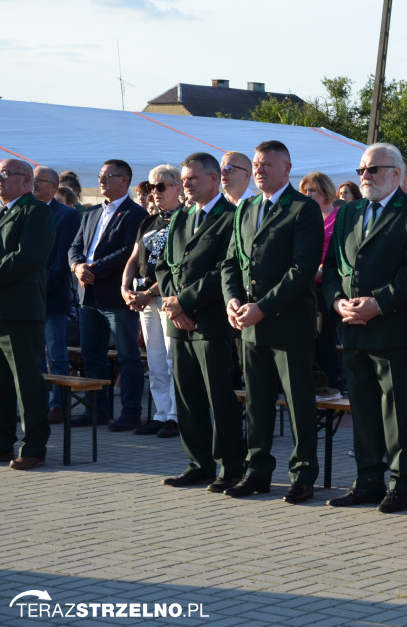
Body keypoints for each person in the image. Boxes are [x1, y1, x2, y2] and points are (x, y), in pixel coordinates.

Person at [322, 143, 407, 513]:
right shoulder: (349, 213)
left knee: (398, 410)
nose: (365, 177)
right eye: (361, 171)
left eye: (373, 170)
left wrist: (378, 303)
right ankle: (367, 480)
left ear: (397, 174)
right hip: (353, 327)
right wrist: (339, 302)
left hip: (394, 329)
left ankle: (401, 484)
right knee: (364, 408)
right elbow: (334, 267)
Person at [221, 140, 323, 504]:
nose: (259, 170)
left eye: (267, 164)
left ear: (286, 168)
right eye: (256, 164)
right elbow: (231, 263)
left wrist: (262, 306)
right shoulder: (246, 208)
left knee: (298, 402)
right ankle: (257, 471)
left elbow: (303, 269)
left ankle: (302, 474)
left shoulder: (303, 208)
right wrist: (232, 299)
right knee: (258, 403)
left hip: (288, 323)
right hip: (250, 324)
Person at [156, 152, 245, 492]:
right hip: (179, 323)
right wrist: (173, 306)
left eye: (192, 178)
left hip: (211, 322)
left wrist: (186, 302)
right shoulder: (179, 218)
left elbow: (224, 269)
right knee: (188, 397)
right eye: (184, 178)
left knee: (219, 397)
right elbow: (164, 266)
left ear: (213, 179)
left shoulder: (231, 217)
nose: (186, 184)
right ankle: (199, 463)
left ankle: (231, 466)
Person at [68, 159, 148, 429]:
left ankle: (130, 412)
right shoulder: (90, 213)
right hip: (88, 294)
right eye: (101, 175)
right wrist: (78, 267)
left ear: (124, 181)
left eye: (108, 176)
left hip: (115, 296)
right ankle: (96, 410)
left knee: (127, 356)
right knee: (92, 356)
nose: (101, 180)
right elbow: (75, 246)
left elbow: (128, 251)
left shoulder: (135, 214)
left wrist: (94, 269)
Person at [0, 159, 55, 470]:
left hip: (21, 310)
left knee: (26, 383)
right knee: (1, 385)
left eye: (5, 175)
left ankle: (34, 446)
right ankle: (2, 443)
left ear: (26, 181)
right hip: (1, 310)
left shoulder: (35, 211)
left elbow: (27, 257)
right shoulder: (3, 211)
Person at [121, 165, 182, 439]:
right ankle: (160, 412)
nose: (153, 193)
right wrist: (125, 288)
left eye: (160, 187)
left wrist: (151, 293)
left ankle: (175, 416)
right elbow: (134, 258)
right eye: (150, 188)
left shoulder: (183, 219)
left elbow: (177, 266)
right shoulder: (148, 221)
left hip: (167, 296)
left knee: (171, 358)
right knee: (155, 360)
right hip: (144, 297)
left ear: (177, 188)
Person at [33, 166, 81, 425]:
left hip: (51, 296)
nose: (34, 185)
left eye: (39, 181)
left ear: (53, 185)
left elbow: (63, 259)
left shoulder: (67, 215)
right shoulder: (27, 210)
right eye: (32, 180)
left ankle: (59, 405)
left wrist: (39, 287)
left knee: (56, 354)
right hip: (28, 298)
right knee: (35, 354)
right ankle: (36, 404)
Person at [299, 171, 342, 391]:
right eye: (304, 191)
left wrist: (323, 272)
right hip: (305, 286)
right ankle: (313, 384)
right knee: (309, 339)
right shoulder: (306, 216)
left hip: (327, 287)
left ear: (325, 191)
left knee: (325, 338)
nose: (307, 194)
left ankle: (332, 386)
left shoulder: (338, 216)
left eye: (311, 190)